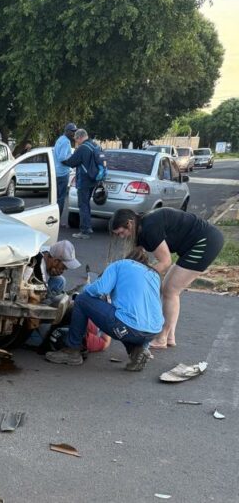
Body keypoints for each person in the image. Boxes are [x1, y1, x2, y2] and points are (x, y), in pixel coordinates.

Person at [110, 207, 225, 349]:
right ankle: (169, 337)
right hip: (197, 242)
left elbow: (165, 262)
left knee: (170, 290)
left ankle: (162, 338)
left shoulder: (149, 228)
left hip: (205, 242)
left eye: (122, 232)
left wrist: (141, 278)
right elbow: (136, 259)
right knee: (168, 289)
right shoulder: (140, 228)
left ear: (129, 223)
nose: (122, 237)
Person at [45, 248, 164, 371]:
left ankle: (72, 351)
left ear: (128, 258)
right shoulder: (154, 274)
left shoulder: (121, 264)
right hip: (152, 332)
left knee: (82, 300)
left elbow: (100, 289)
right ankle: (137, 351)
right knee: (127, 319)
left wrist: (82, 291)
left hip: (128, 327)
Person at [61, 128, 98, 240]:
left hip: (84, 180)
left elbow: (72, 162)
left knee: (83, 205)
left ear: (80, 137)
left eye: (76, 139)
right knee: (86, 204)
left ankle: (84, 231)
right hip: (93, 179)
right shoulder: (94, 145)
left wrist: (62, 161)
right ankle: (88, 226)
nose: (76, 142)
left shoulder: (82, 148)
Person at [53, 123, 76, 220]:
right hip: (62, 173)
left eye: (74, 131)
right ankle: (57, 220)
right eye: (72, 131)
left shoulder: (59, 139)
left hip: (56, 172)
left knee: (55, 197)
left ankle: (54, 218)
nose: (73, 133)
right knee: (61, 198)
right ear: (66, 131)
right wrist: (72, 164)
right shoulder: (66, 141)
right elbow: (62, 158)